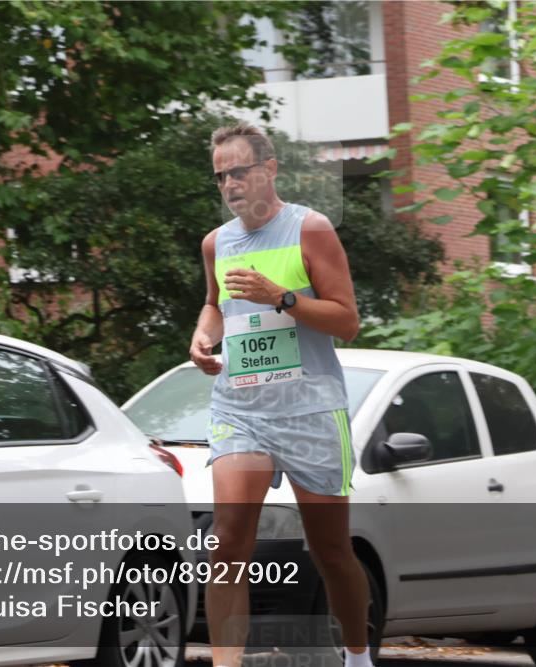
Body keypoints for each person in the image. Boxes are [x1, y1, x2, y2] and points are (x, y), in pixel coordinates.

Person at [189, 121, 375, 667]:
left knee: (331, 551)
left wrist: (283, 297)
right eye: (221, 176)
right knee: (227, 542)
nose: (230, 184)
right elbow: (215, 304)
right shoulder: (216, 243)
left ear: (269, 169)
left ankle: (357, 655)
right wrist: (203, 336)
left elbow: (347, 322)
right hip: (241, 409)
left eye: (239, 172)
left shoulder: (310, 230)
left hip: (310, 410)